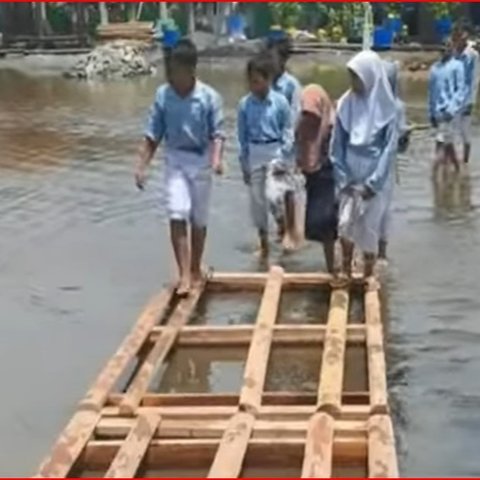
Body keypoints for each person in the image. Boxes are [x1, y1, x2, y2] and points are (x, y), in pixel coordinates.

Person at [135, 39, 225, 296]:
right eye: (170, 69)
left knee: (198, 218)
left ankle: (195, 267)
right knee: (177, 213)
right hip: (175, 158)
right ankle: (184, 274)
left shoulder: (209, 97)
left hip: (201, 159)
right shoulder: (164, 96)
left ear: (190, 70)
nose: (172, 75)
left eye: (177, 70)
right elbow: (153, 134)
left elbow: (217, 134)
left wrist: (217, 160)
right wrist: (141, 165)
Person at [331, 50, 398, 278]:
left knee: (369, 229)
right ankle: (347, 268)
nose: (353, 83)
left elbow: (388, 151)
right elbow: (336, 146)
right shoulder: (344, 105)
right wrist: (343, 178)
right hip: (349, 173)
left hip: (373, 174)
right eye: (351, 77)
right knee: (345, 225)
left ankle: (369, 274)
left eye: (357, 77)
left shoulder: (388, 110)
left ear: (370, 76)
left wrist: (372, 184)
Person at [237, 53, 294, 259]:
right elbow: (242, 137)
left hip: (275, 151)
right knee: (257, 203)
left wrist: (285, 156)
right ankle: (264, 243)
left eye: (257, 81)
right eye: (251, 81)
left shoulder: (279, 103)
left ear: (268, 79)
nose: (253, 86)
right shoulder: (245, 105)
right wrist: (244, 163)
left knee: (273, 196)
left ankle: (283, 227)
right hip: (254, 152)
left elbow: (287, 130)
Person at [296, 84, 337, 273]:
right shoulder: (306, 130)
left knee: (327, 220)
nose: (307, 120)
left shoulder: (330, 134)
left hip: (327, 169)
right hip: (314, 170)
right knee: (320, 224)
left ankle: (338, 265)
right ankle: (332, 265)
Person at [378, 60, 410, 263]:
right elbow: (402, 146)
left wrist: (404, 135)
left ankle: (375, 252)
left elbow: (400, 143)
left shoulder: (395, 107)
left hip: (381, 164)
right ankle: (379, 253)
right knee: (381, 209)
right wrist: (404, 136)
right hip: (380, 163)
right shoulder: (397, 106)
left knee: (378, 208)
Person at [428, 39, 465, 177]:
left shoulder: (457, 66)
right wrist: (431, 113)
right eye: (442, 48)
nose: (445, 50)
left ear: (452, 49)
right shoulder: (434, 69)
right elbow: (431, 93)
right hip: (438, 113)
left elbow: (460, 90)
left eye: (448, 47)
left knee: (441, 144)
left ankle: (434, 178)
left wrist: (452, 108)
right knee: (448, 145)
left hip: (451, 113)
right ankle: (458, 174)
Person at [453, 25, 478, 164]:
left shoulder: (472, 55)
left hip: (466, 100)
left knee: (465, 131)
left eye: (461, 36)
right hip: (453, 98)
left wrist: (470, 101)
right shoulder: (454, 54)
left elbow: (474, 80)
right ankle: (455, 162)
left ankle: (465, 162)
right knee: (452, 131)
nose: (459, 39)